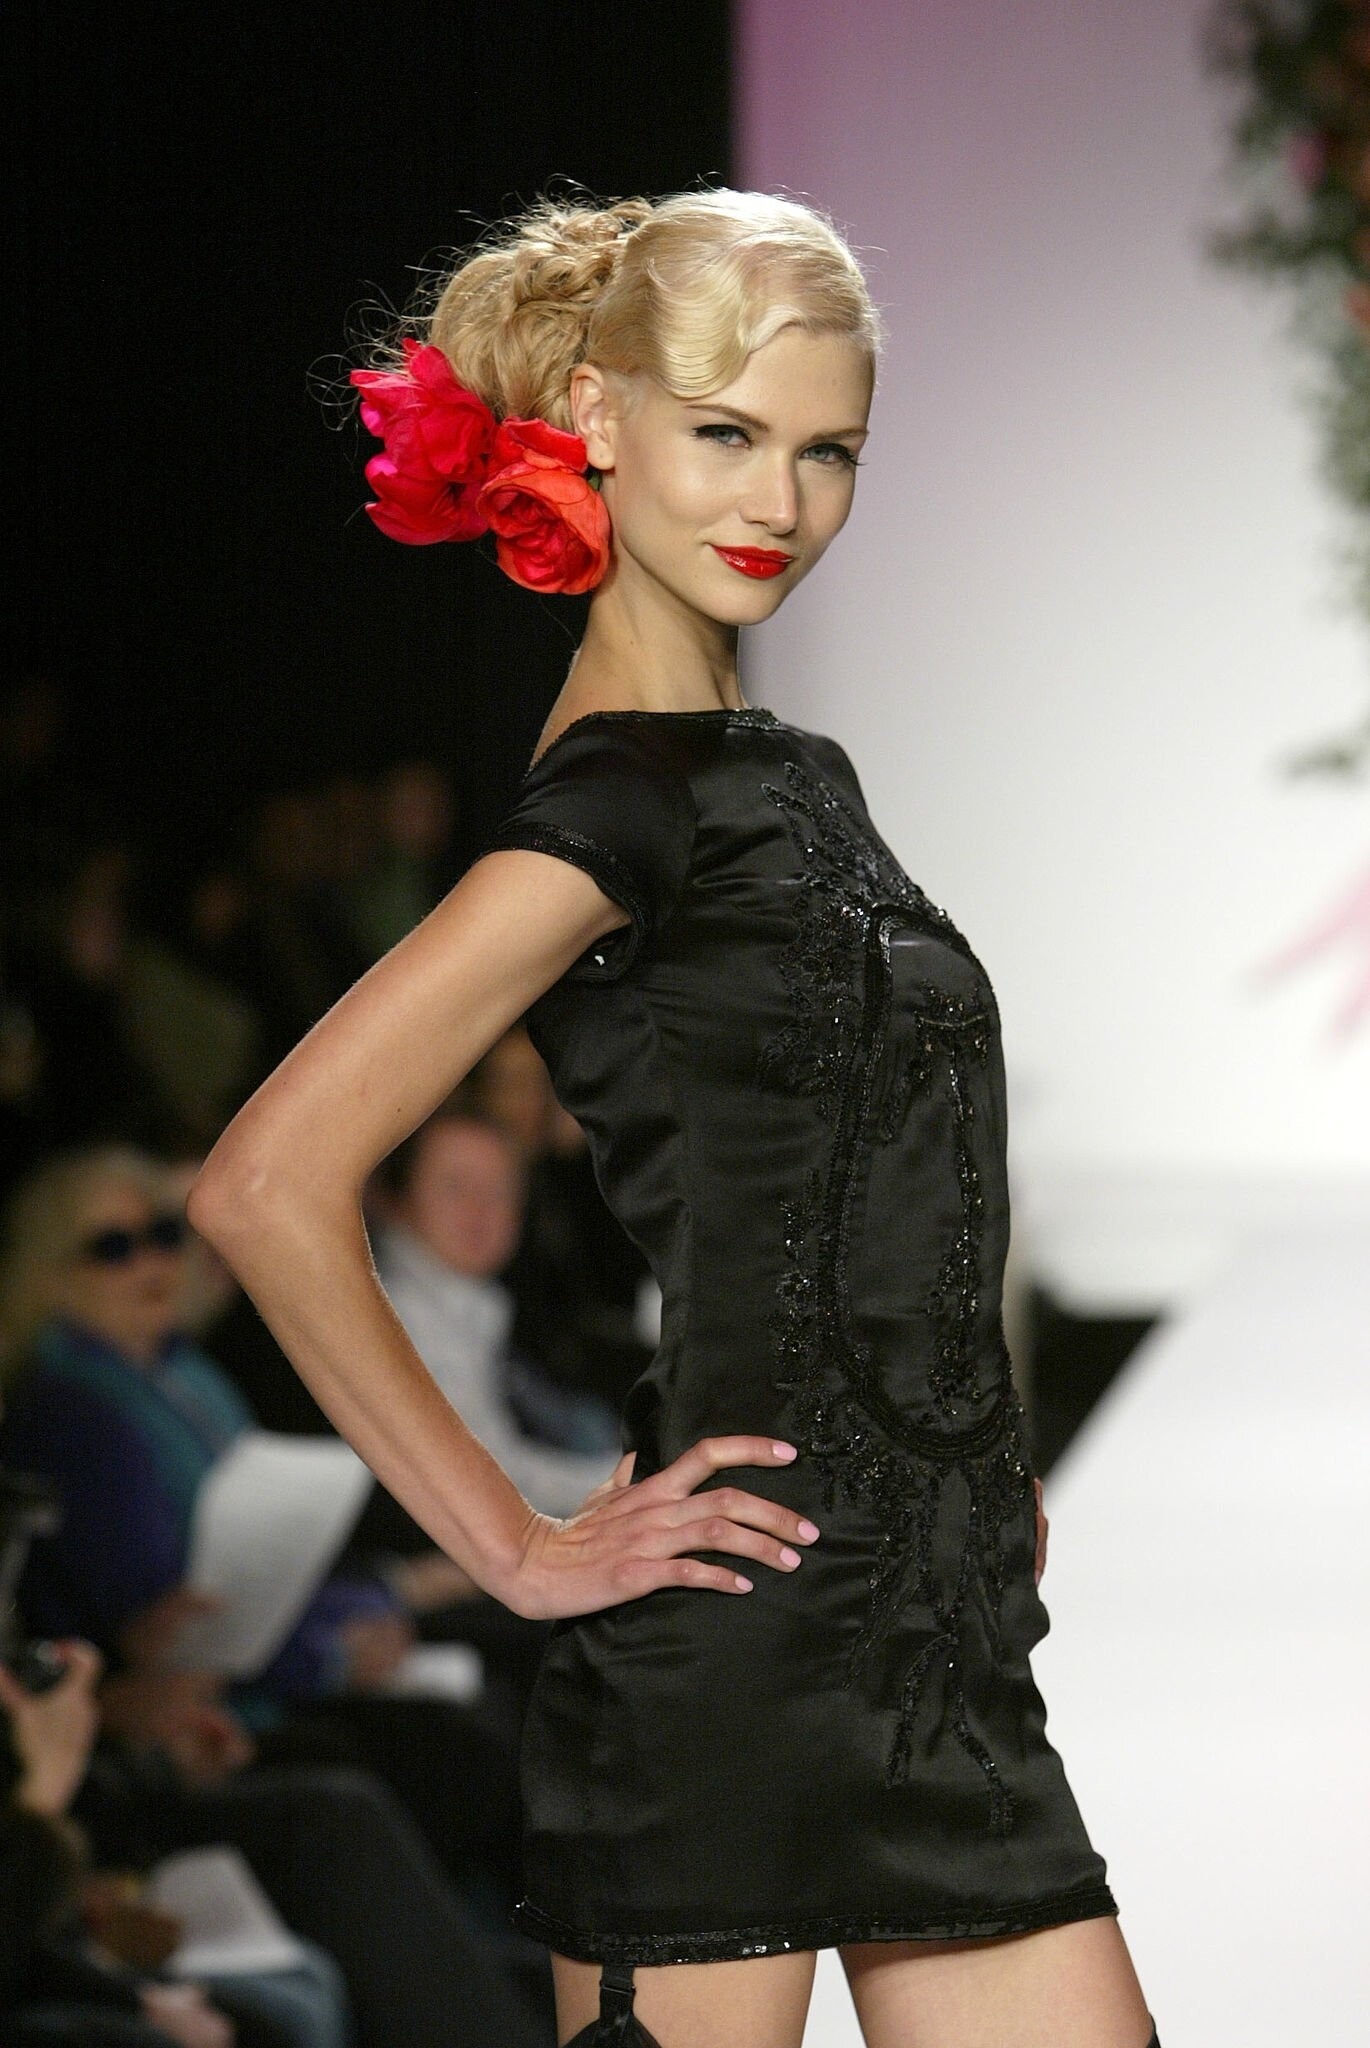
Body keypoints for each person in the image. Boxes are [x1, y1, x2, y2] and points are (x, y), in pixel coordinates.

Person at [187, 186, 1162, 2048]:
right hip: (731, 1671)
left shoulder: (784, 772)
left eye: (825, 451)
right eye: (725, 435)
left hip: (937, 1645)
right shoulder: (615, 804)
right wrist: (513, 1545)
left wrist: (959, 1454)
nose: (777, 502)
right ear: (596, 413)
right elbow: (265, 1182)